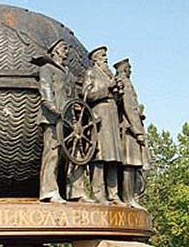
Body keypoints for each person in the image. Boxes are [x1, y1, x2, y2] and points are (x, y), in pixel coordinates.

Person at [32, 39, 86, 203]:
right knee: (52, 154)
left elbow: (72, 97)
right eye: (63, 48)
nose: (66, 51)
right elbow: (46, 90)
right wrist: (53, 107)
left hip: (69, 120)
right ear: (54, 51)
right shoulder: (47, 68)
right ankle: (49, 191)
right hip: (53, 119)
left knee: (75, 154)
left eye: (67, 49)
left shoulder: (68, 73)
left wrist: (77, 116)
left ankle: (77, 191)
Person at [83, 46, 124, 205]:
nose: (105, 58)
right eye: (102, 56)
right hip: (99, 115)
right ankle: (98, 193)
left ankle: (113, 194)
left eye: (106, 56)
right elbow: (88, 95)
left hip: (112, 116)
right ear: (95, 60)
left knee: (113, 157)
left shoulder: (109, 75)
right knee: (99, 155)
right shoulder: (91, 73)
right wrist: (107, 87)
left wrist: (118, 92)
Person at [113, 58, 149, 209]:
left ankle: (129, 197)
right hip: (129, 130)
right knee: (130, 164)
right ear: (124, 69)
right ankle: (129, 198)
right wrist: (138, 131)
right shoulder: (125, 82)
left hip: (128, 128)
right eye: (129, 67)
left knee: (132, 165)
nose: (130, 70)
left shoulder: (122, 82)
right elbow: (129, 108)